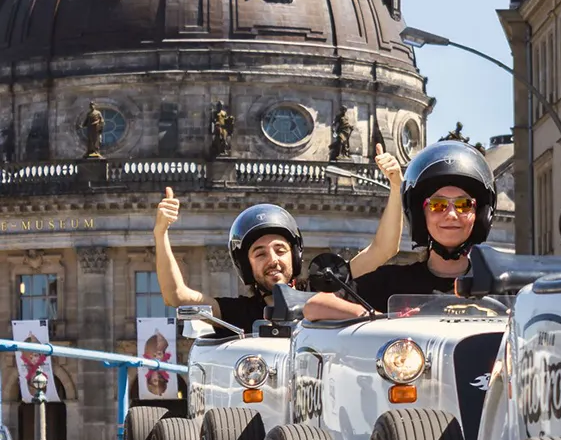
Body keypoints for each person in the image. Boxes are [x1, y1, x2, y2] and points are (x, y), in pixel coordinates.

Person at [154, 144, 407, 332]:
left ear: (295, 255)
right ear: (247, 266)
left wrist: (396, 187)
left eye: (280, 249)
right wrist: (161, 233)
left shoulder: (325, 286)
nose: (272, 259)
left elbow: (383, 249)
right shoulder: (239, 312)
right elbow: (176, 296)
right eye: (260, 253)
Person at [303, 140, 497, 320]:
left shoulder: (501, 287)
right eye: (438, 205)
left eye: (463, 204)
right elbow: (315, 305)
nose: (452, 215)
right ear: (421, 216)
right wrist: (379, 319)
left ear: (479, 215)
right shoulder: (392, 282)